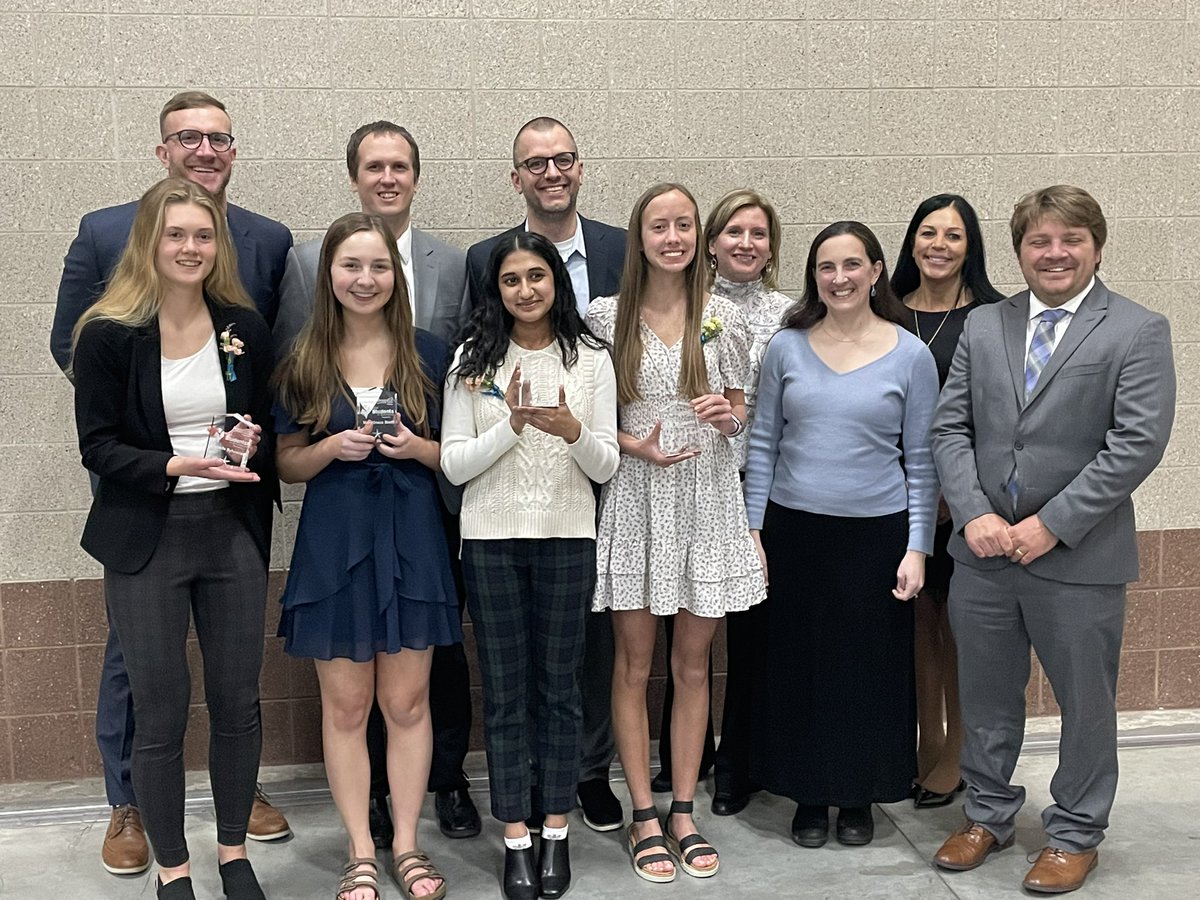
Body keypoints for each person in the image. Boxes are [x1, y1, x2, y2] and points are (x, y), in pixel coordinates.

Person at [50, 90, 292, 875]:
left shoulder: (242, 327)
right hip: (147, 534)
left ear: (218, 243)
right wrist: (171, 465)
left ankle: (232, 855)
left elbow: (257, 417)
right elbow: (97, 445)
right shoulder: (108, 332)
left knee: (238, 704)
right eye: (175, 235)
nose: (190, 247)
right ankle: (173, 869)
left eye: (202, 235)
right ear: (147, 242)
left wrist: (250, 440)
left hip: (231, 532)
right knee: (158, 712)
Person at [930, 186, 1176, 894]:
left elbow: (1136, 444)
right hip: (983, 555)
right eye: (1039, 241)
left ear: (1097, 247)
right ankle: (987, 814)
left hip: (1079, 556)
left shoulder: (1137, 329)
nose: (1055, 253)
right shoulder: (985, 325)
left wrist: (1051, 525)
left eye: (1071, 240)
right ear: (1020, 252)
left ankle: (1074, 832)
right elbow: (950, 427)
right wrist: (973, 513)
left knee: (1085, 704)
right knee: (986, 697)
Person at [273, 120, 480, 845]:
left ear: (396, 275)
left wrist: (417, 448)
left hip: (414, 540)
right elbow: (286, 462)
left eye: (379, 267)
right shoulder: (304, 360)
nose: (365, 279)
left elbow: (459, 453)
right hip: (335, 545)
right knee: (346, 708)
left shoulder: (431, 355)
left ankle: (408, 845)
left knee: (409, 704)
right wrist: (331, 447)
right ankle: (362, 848)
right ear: (328, 275)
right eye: (350, 266)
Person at [586, 182, 766, 884]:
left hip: (707, 496)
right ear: (639, 237)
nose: (673, 238)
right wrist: (635, 445)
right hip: (637, 496)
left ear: (699, 237)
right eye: (659, 226)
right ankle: (642, 813)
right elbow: (589, 421)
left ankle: (684, 809)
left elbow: (743, 416)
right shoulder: (604, 317)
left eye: (684, 225)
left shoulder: (725, 317)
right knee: (633, 665)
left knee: (693, 665)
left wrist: (727, 417)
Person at [744, 221, 939, 850]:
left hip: (876, 537)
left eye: (853, 265)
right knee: (799, 665)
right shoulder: (787, 347)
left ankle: (858, 795)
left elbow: (922, 460)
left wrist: (917, 547)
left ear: (876, 271)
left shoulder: (911, 356)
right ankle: (807, 792)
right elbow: (764, 442)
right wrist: (754, 530)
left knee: (866, 670)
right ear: (814, 277)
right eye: (826, 267)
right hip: (794, 531)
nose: (839, 278)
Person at [441, 232, 620, 900]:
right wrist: (511, 425)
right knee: (506, 691)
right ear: (496, 289)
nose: (525, 290)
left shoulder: (590, 358)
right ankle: (516, 835)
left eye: (537, 276)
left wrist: (572, 430)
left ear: (556, 282)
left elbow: (606, 464)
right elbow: (453, 465)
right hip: (491, 543)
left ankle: (555, 828)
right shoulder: (473, 357)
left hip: (567, 538)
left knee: (560, 690)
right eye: (511, 279)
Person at [465, 116, 627, 833]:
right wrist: (510, 424)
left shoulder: (621, 253)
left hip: (591, 487)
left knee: (582, 658)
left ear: (580, 167)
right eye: (536, 162)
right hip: (501, 507)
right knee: (513, 676)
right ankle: (523, 800)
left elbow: (623, 366)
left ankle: (582, 781)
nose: (551, 172)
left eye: (563, 159)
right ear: (517, 177)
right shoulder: (485, 266)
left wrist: (579, 431)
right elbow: (472, 383)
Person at [891, 194, 1004, 809]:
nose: (939, 245)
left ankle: (956, 751)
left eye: (953, 236)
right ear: (912, 242)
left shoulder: (993, 317)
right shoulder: (884, 309)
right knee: (915, 625)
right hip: (894, 498)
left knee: (958, 628)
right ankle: (925, 742)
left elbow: (999, 418)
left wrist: (955, 494)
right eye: (928, 233)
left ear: (970, 247)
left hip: (965, 501)